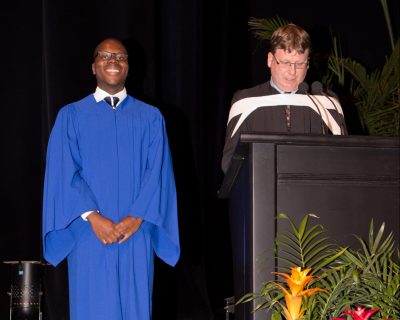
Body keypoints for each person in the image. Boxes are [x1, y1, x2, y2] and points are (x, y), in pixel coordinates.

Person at [42, 38, 180, 320]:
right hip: (89, 235)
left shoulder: (151, 118)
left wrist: (137, 217)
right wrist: (93, 217)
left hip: (135, 233)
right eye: (104, 56)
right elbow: (62, 171)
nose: (113, 61)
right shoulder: (71, 116)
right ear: (93, 67)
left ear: (129, 67)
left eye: (120, 57)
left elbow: (158, 173)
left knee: (137, 310)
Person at [221, 24, 347, 173]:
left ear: (308, 65)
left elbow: (345, 159)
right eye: (286, 63)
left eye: (300, 64)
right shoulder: (245, 102)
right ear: (270, 60)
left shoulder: (325, 103)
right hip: (263, 192)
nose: (292, 71)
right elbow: (229, 164)